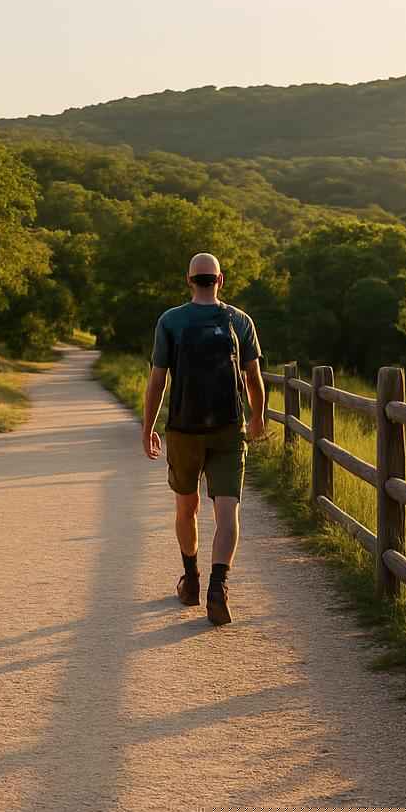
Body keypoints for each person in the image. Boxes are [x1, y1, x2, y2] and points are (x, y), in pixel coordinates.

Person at [142, 252, 266, 625]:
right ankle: (218, 587)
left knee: (186, 507)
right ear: (220, 280)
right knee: (227, 513)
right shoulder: (239, 321)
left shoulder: (171, 321)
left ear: (189, 280)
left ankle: (191, 579)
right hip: (229, 428)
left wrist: (147, 427)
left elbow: (158, 381)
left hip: (184, 430)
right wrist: (257, 417)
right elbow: (253, 379)